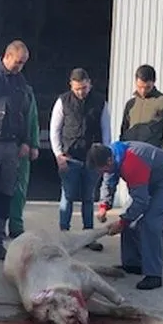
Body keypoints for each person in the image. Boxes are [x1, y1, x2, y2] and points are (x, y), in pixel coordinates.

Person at [89, 140, 163, 291]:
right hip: (150, 176)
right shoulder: (111, 156)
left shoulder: (131, 162)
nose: (101, 174)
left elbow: (141, 201)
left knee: (150, 222)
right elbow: (108, 183)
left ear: (109, 161)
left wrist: (122, 223)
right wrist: (103, 206)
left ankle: (154, 275)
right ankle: (133, 264)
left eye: (102, 170)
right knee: (128, 217)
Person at [119, 65, 163, 263]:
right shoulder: (131, 104)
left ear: (153, 82)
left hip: (153, 164)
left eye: (147, 87)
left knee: (156, 208)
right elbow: (124, 131)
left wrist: (162, 154)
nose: (143, 90)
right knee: (136, 204)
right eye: (139, 86)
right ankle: (137, 250)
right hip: (132, 164)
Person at [0, 40, 33, 259]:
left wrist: (26, 141)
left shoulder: (20, 81)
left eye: (23, 63)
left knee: (5, 194)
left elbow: (25, 114)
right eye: (18, 62)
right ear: (7, 56)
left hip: (12, 146)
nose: (20, 66)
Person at [50, 68, 111, 250]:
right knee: (67, 196)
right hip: (70, 157)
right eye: (77, 89)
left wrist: (104, 156)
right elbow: (55, 129)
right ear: (71, 85)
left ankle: (88, 236)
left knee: (88, 197)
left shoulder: (100, 102)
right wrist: (58, 154)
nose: (81, 92)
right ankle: (64, 235)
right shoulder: (62, 101)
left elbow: (106, 130)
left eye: (84, 88)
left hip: (92, 159)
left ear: (89, 84)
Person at [7, 82, 39, 239]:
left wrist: (32, 143)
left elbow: (32, 118)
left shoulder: (26, 91)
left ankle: (16, 225)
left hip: (21, 147)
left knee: (19, 189)